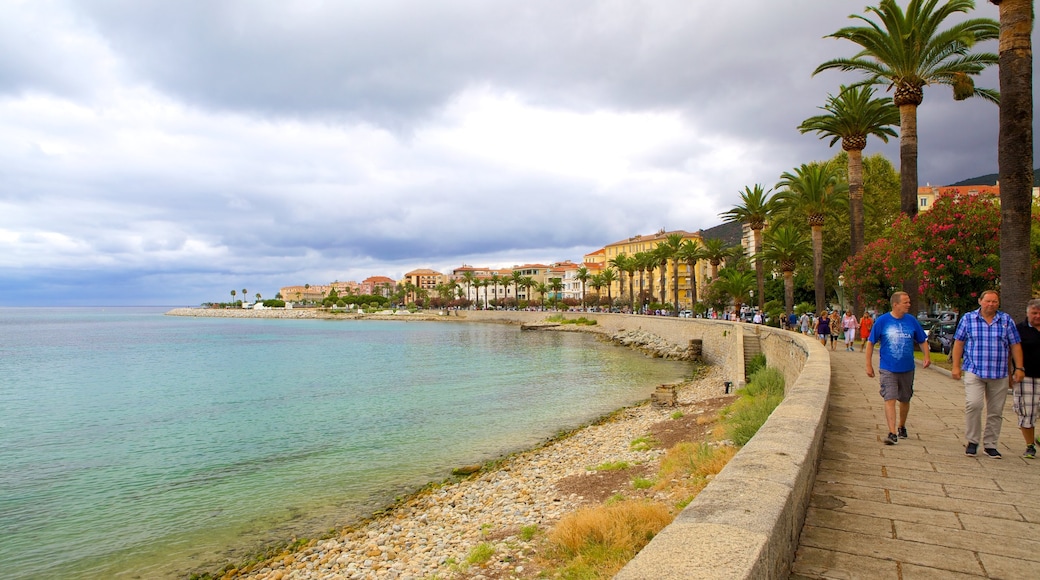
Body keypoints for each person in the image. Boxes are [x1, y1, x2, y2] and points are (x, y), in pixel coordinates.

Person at [951, 290, 1025, 459]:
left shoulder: (1006, 320)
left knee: (996, 411)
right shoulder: (968, 319)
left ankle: (991, 445)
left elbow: (1015, 346)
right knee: (974, 404)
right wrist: (956, 366)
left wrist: (1019, 368)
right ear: (980, 301)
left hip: (999, 373)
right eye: (988, 301)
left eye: (994, 302)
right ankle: (972, 441)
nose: (991, 304)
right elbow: (959, 343)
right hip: (974, 370)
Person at [866, 292, 930, 445]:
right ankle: (892, 432)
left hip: (907, 367)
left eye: (909, 302)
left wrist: (926, 356)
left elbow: (922, 340)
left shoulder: (912, 321)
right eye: (905, 302)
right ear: (895, 304)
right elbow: (870, 342)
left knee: (905, 399)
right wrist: (868, 364)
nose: (909, 304)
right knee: (890, 398)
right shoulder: (882, 321)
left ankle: (901, 425)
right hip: (888, 367)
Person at [1013, 299, 1040, 458]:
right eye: (1034, 313)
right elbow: (1013, 351)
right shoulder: (1019, 329)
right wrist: (1017, 370)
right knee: (1027, 411)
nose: (1037, 316)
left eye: (1039, 313)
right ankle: (1030, 445)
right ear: (1027, 313)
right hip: (1027, 376)